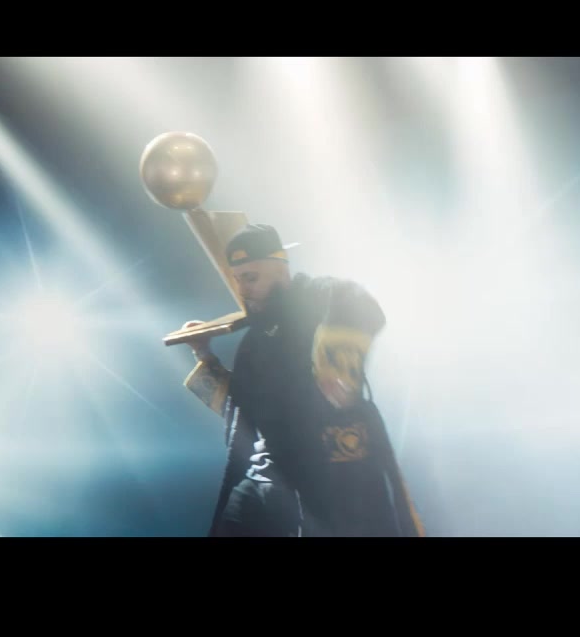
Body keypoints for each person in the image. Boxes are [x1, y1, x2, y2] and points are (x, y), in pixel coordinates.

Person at [180, 223, 425, 537]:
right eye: (239, 279)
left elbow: (358, 301)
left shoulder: (315, 298)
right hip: (270, 471)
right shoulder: (254, 341)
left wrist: (335, 368)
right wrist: (203, 354)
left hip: (332, 462)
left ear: (280, 271)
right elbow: (243, 410)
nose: (243, 289)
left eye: (251, 278)